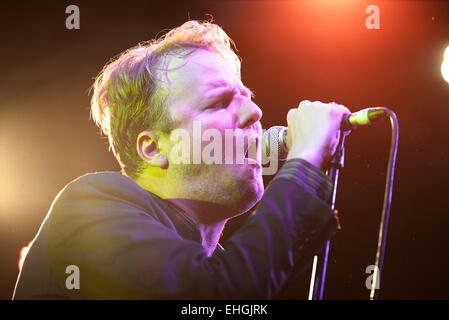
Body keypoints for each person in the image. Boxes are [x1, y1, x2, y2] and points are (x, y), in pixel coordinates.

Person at [13, 20, 349, 299]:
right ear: (154, 148)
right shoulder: (87, 204)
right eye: (219, 102)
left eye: (247, 97)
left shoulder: (221, 266)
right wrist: (303, 164)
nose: (255, 112)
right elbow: (214, 294)